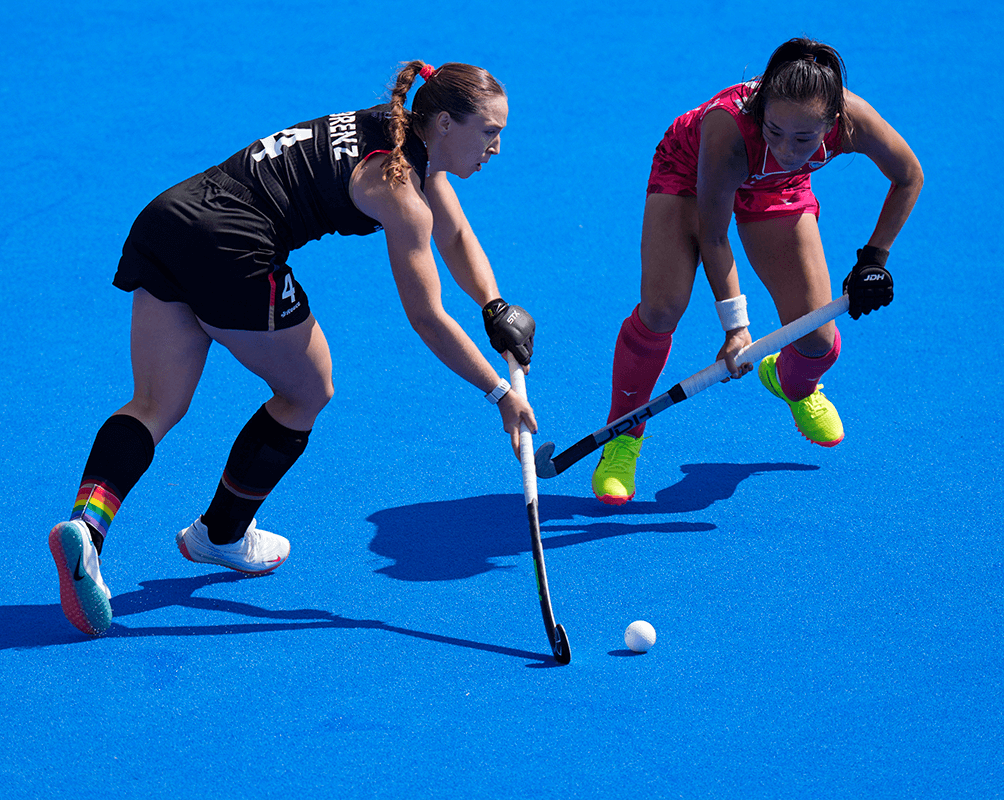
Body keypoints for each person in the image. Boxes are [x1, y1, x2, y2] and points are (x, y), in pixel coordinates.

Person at [47, 61, 538, 636]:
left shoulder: (401, 129)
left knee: (155, 405)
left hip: (173, 216)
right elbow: (427, 318)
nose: (497, 148)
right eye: (489, 131)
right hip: (234, 247)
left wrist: (493, 306)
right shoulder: (400, 187)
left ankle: (87, 528)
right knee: (309, 388)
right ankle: (221, 535)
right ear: (448, 124)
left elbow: (452, 233)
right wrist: (498, 391)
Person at [592, 37, 923, 505]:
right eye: (775, 131)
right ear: (762, 108)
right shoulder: (729, 128)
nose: (788, 148)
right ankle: (622, 436)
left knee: (817, 343)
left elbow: (908, 175)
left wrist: (873, 260)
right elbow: (714, 236)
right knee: (663, 308)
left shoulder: (853, 121)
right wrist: (736, 328)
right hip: (691, 176)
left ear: (831, 124)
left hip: (775, 190)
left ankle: (791, 384)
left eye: (805, 139)